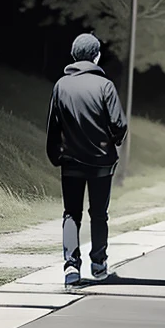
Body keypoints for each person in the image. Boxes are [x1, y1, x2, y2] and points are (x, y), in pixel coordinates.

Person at [46, 32, 127, 288]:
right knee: (99, 213)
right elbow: (119, 124)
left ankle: (71, 267)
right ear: (96, 56)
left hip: (71, 161)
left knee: (71, 213)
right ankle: (99, 264)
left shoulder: (61, 85)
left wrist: (55, 154)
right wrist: (113, 139)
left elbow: (53, 125)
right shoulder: (105, 86)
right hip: (101, 162)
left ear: (73, 55)